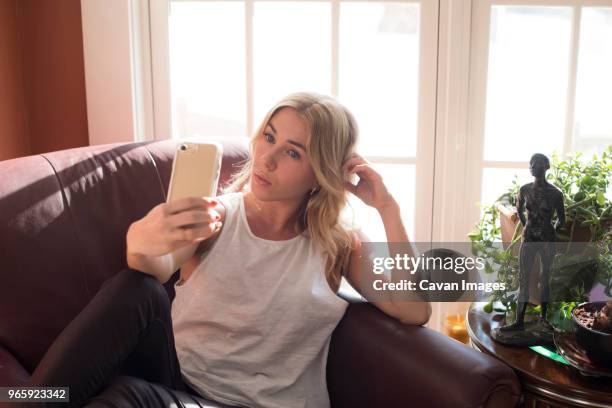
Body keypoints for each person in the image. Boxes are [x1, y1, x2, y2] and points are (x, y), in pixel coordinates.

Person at [27, 92, 430, 407]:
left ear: (319, 173)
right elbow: (154, 267)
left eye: (292, 152)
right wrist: (141, 245)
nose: (266, 159)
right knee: (136, 289)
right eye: (268, 137)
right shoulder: (215, 218)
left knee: (123, 397)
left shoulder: (336, 245)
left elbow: (414, 309)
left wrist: (387, 208)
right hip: (176, 384)